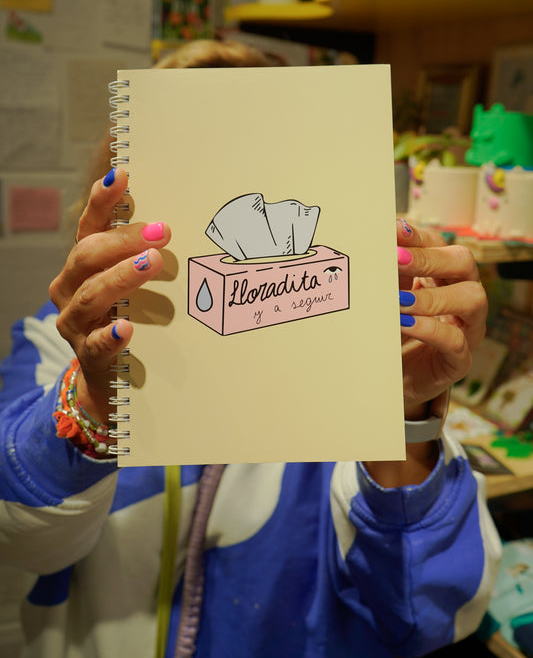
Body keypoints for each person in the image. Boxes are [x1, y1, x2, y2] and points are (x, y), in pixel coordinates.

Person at [0, 40, 501, 658]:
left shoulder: (346, 351)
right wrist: (94, 399)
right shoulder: (54, 342)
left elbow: (430, 610)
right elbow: (18, 538)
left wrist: (401, 414)